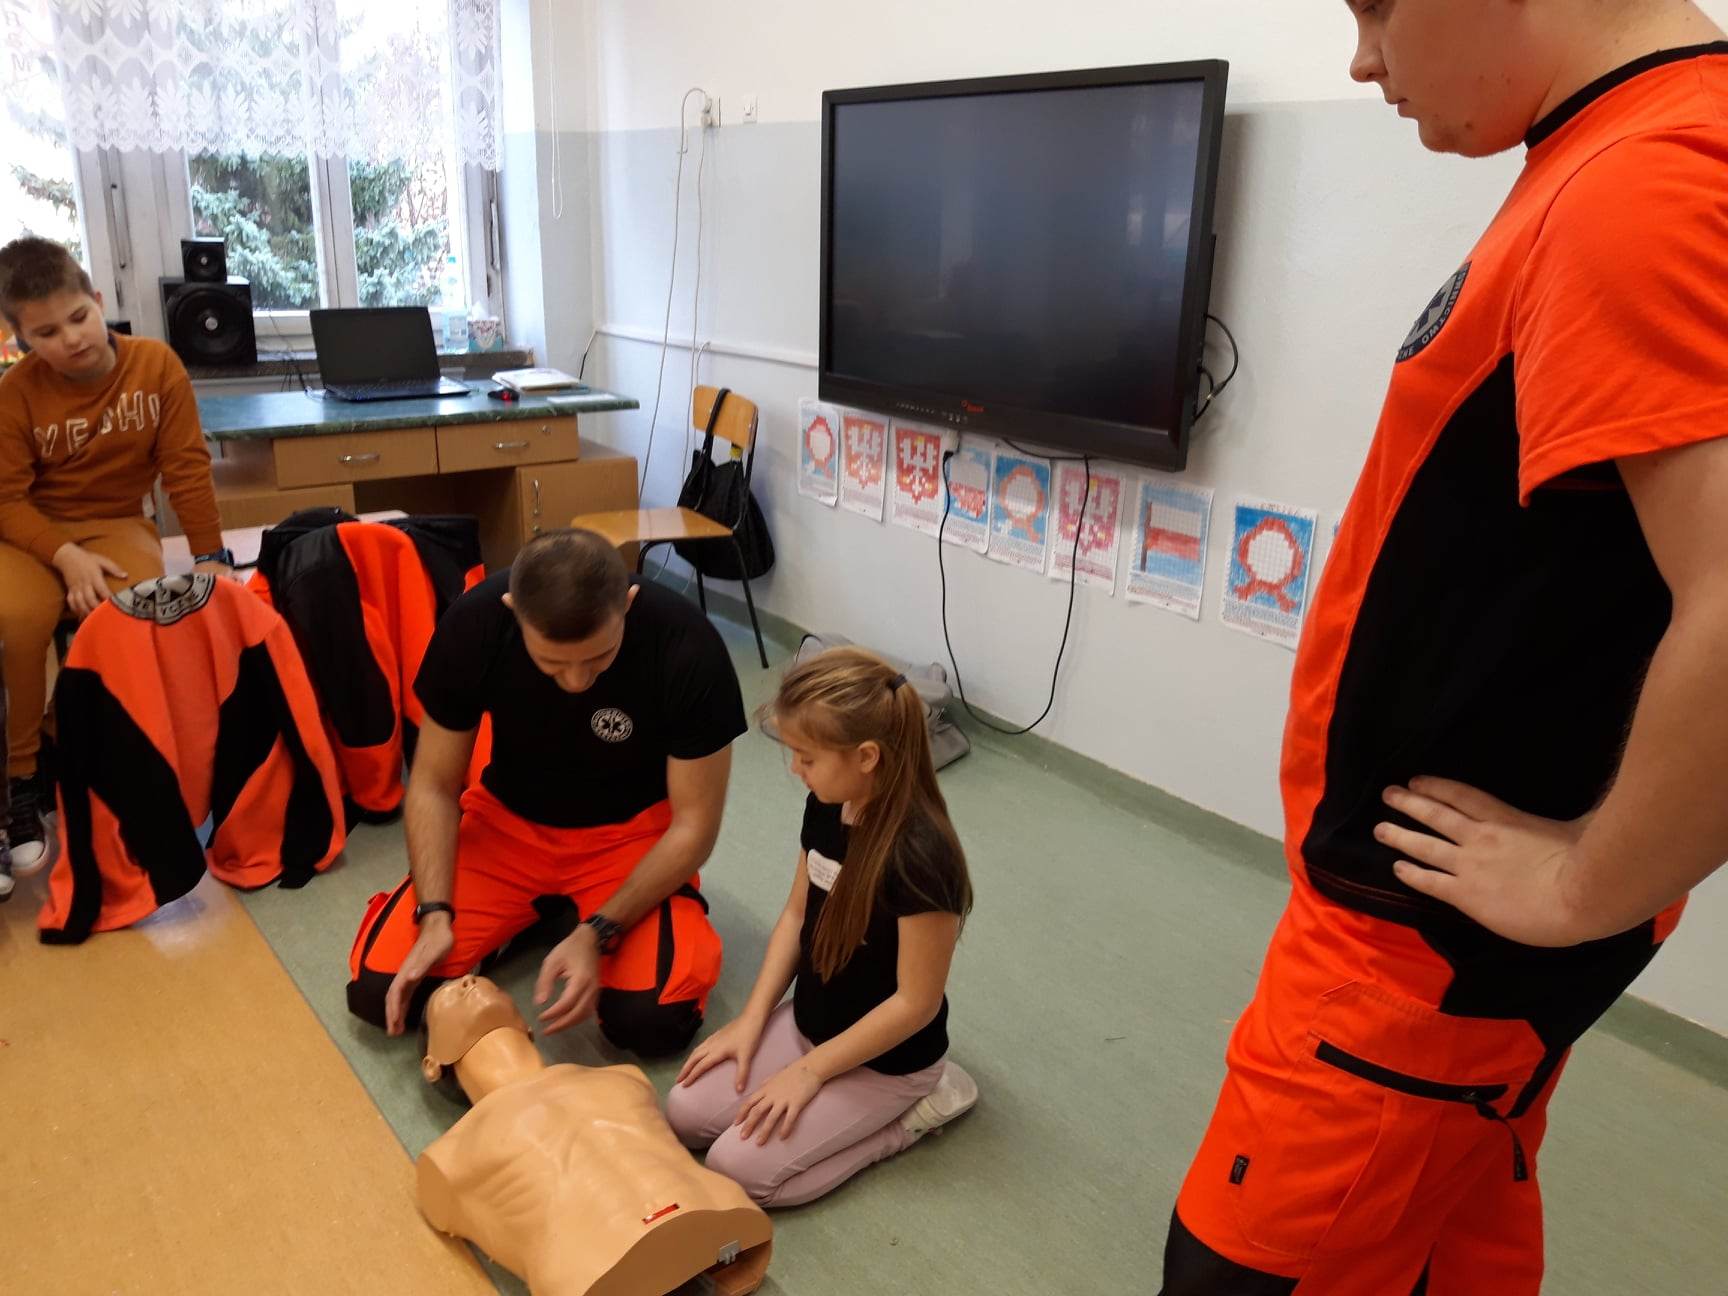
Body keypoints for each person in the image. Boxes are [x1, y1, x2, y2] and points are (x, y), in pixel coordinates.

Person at [1161, 5, 1728, 1294]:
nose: (1362, 59)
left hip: (1411, 969)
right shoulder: (1611, 152)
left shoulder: (1643, 184)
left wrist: (1584, 886)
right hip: (1441, 950)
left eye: (1376, 4)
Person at [346, 528, 743, 1058]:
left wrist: (598, 930)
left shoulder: (687, 646)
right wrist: (435, 913)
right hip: (506, 827)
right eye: (552, 663)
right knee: (378, 991)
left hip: (630, 839)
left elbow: (694, 828)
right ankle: (526, 920)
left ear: (627, 604)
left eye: (599, 657)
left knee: (650, 1020)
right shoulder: (475, 623)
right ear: (514, 611)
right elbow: (434, 785)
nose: (576, 681)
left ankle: (568, 918)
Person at [666, 648, 978, 1207]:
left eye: (806, 757)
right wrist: (752, 1019)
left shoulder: (922, 857)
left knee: (737, 1171)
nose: (795, 769)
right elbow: (795, 915)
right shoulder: (828, 803)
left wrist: (810, 1072)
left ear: (866, 757)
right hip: (810, 1024)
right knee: (685, 1113)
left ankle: (915, 1116)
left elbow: (916, 1004)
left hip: (886, 1064)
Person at [0, 237, 234, 893]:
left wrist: (211, 556)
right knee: (18, 621)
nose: (71, 338)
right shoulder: (15, 393)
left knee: (134, 614)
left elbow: (186, 468)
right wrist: (65, 555)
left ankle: (73, 745)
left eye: (78, 317)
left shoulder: (156, 365)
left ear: (98, 301)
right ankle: (20, 779)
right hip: (31, 534)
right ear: (19, 340)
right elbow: (6, 501)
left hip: (118, 524)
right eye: (46, 333)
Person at [415, 974, 773, 1296]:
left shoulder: (625, 1077)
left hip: (722, 1217)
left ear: (526, 1026)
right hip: (591, 1273)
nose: (468, 981)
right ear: (432, 1065)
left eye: (484, 981)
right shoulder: (450, 1157)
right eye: (449, 994)